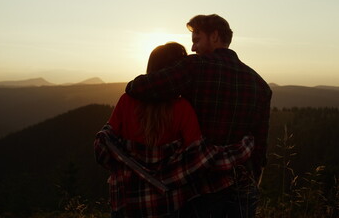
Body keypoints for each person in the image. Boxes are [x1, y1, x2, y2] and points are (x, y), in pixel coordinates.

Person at [125, 14, 272, 217]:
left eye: (196, 39)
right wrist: (252, 183)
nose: (193, 48)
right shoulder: (260, 85)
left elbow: (141, 87)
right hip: (244, 189)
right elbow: (260, 146)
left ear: (214, 36)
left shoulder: (195, 66)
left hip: (202, 188)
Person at [94, 42, 255, 218]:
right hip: (168, 206)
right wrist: (244, 146)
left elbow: (108, 142)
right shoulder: (182, 108)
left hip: (127, 205)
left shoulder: (126, 101)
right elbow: (199, 157)